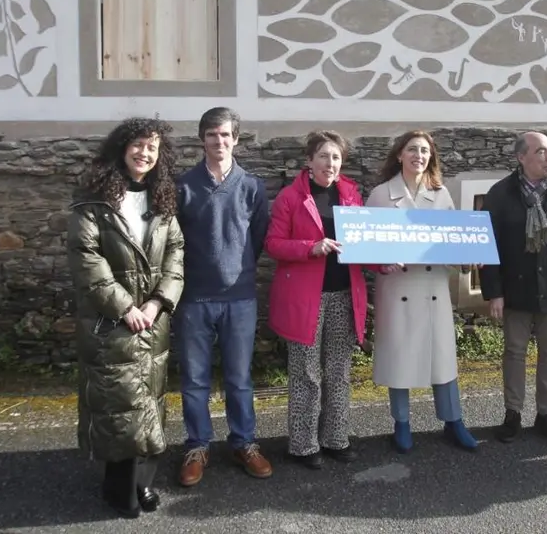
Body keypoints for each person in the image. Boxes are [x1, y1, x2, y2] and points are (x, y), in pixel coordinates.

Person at [67, 117, 185, 519]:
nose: (144, 153)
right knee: (118, 405)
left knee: (149, 401)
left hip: (152, 321)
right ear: (121, 148)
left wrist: (156, 304)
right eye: (138, 145)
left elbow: (176, 255)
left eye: (152, 148)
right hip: (110, 322)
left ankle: (143, 482)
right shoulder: (93, 200)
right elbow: (87, 259)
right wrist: (124, 307)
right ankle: (119, 490)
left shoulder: (162, 200)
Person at [175, 107, 273, 485]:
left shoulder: (251, 186)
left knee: (239, 377)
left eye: (226, 135)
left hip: (240, 297)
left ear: (236, 139)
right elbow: (174, 242)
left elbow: (259, 237)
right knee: (195, 379)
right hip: (194, 298)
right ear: (202, 138)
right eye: (213, 134)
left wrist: (239, 267)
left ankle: (244, 442)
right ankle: (197, 445)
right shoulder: (184, 185)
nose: (220, 141)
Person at [365, 130, 478, 454]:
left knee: (442, 356)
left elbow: (454, 241)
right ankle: (401, 423)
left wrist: (467, 258)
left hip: (433, 288)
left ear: (431, 157)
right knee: (399, 356)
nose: (419, 155)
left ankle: (453, 420)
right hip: (397, 287)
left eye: (425, 151)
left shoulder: (440, 194)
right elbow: (365, 247)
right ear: (399, 155)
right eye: (412, 149)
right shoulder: (380, 195)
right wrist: (380, 263)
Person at [265, 131, 369, 469]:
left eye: (336, 157)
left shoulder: (351, 195)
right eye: (323, 156)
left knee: (338, 372)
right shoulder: (290, 197)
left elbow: (365, 242)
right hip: (305, 299)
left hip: (343, 295)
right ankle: (303, 444)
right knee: (306, 373)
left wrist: (386, 259)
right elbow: (273, 244)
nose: (330, 163)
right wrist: (310, 247)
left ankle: (336, 439)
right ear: (309, 161)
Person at [479, 131, 547, 446]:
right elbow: (490, 247)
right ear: (521, 157)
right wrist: (495, 292)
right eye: (541, 151)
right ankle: (512, 413)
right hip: (516, 287)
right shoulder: (500, 194)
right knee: (514, 352)